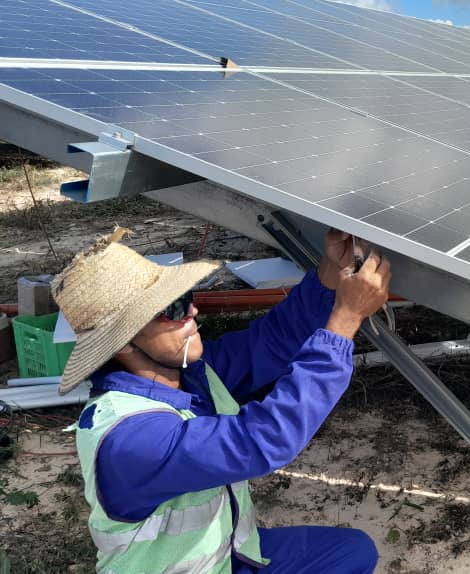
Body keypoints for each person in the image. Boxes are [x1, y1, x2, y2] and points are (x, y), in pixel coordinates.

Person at [56, 226, 390, 573]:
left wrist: (329, 274)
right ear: (122, 343)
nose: (192, 313)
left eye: (185, 297)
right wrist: (345, 320)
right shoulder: (130, 439)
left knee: (351, 553)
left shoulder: (190, 375)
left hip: (225, 559)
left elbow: (270, 341)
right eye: (172, 309)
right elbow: (263, 439)